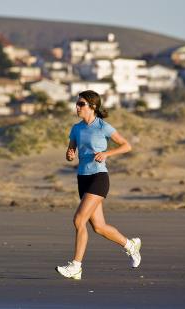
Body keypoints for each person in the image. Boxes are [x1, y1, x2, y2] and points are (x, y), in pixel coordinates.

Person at [55, 90, 141, 280]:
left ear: (92, 106)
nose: (77, 107)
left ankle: (76, 266)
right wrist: (69, 154)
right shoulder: (76, 129)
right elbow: (71, 150)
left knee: (79, 220)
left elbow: (127, 145)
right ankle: (130, 245)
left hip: (99, 178)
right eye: (77, 103)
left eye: (81, 104)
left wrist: (107, 154)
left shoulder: (103, 127)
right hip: (82, 178)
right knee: (99, 227)